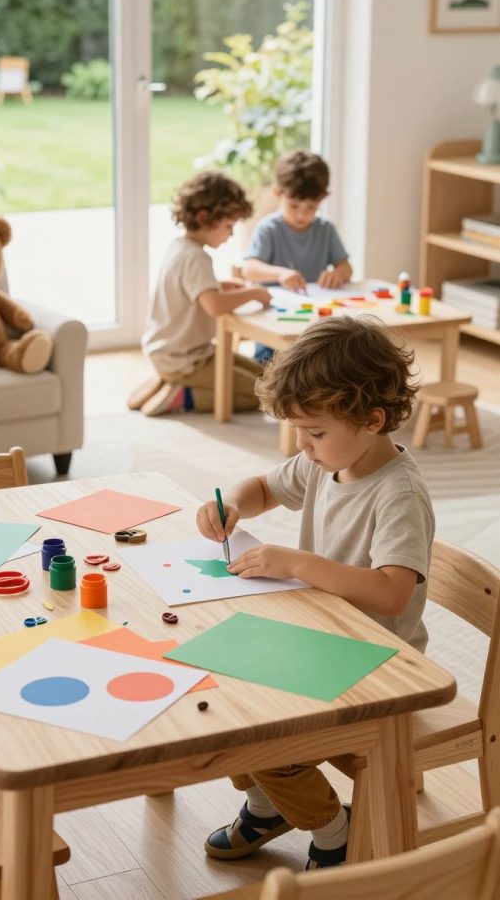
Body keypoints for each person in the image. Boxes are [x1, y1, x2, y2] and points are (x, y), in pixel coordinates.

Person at [196, 315, 434, 870]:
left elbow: (393, 593)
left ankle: (335, 832)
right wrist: (230, 503)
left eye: (315, 432)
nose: (303, 446)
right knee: (224, 693)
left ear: (372, 419)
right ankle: (269, 804)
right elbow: (261, 489)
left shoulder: (398, 494)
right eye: (299, 432)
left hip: (381, 666)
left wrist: (302, 562)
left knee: (271, 731)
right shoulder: (327, 462)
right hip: (325, 642)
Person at [128, 170, 271, 417]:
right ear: (206, 218)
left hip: (172, 353)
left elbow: (189, 289)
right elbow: (214, 306)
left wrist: (219, 285)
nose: (231, 234)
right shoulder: (197, 257)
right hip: (186, 361)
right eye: (229, 225)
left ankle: (167, 381)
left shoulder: (180, 247)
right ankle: (184, 396)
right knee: (262, 394)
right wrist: (253, 293)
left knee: (264, 377)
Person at [242, 149, 353, 364]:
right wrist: (280, 273)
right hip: (275, 321)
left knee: (330, 358)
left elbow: (346, 267)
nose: (302, 214)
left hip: (314, 322)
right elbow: (250, 268)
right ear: (278, 194)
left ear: (322, 200)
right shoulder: (269, 229)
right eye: (294, 206)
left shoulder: (325, 228)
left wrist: (337, 273)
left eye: (310, 207)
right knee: (270, 367)